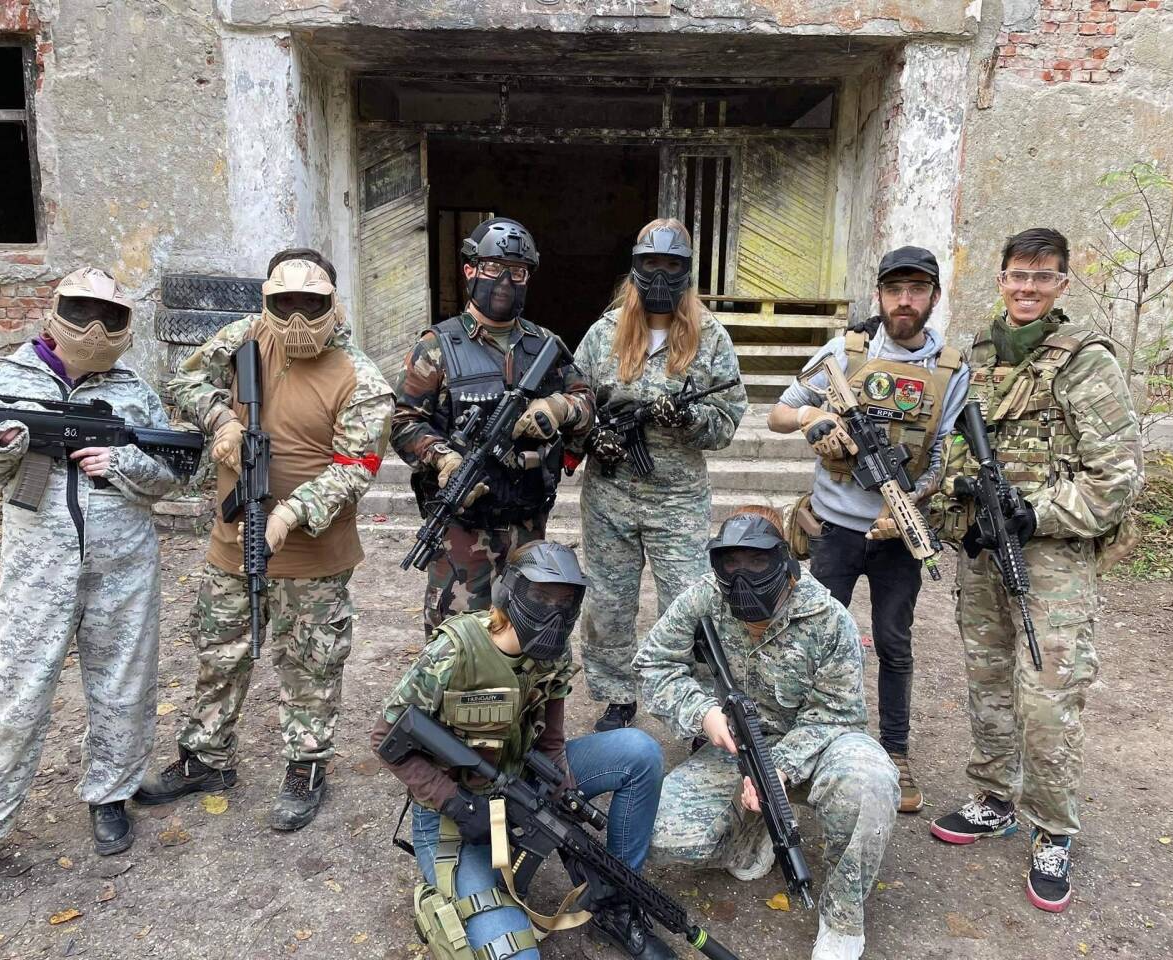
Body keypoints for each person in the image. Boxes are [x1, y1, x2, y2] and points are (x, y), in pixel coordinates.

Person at [0, 268, 180, 909]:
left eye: (110, 315)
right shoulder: (8, 380)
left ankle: (110, 796)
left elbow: (172, 472)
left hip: (123, 564)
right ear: (55, 314)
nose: (95, 327)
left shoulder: (133, 389)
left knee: (124, 684)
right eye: (82, 311)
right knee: (14, 697)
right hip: (37, 568)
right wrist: (1, 447)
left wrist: (120, 463)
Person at [133, 248, 394, 832]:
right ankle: (205, 758)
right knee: (218, 653)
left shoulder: (362, 378)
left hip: (313, 556)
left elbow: (356, 467)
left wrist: (289, 515)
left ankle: (305, 765)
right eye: (285, 303)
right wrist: (222, 420)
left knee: (310, 665)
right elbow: (184, 379)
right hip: (232, 541)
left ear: (332, 304)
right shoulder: (244, 336)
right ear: (267, 302)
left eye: (311, 304)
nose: (297, 318)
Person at [929, 228, 1143, 913]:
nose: (1027, 288)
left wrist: (1037, 513)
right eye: (1017, 275)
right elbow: (949, 446)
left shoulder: (1086, 362)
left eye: (1042, 277)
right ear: (1001, 279)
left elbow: (1117, 477)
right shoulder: (976, 357)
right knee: (988, 680)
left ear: (1061, 284)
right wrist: (960, 501)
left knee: (1048, 696)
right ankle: (995, 798)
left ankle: (1053, 830)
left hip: (1053, 560)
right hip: (984, 553)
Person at [371, 541, 673, 960]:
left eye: (565, 602)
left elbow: (551, 741)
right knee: (516, 954)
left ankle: (616, 903)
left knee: (639, 752)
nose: (554, 613)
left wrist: (562, 797)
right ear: (509, 593)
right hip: (453, 814)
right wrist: (454, 802)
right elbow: (385, 738)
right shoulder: (455, 650)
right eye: (542, 598)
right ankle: (456, 892)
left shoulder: (554, 650)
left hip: (522, 782)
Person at [635, 507, 898, 960]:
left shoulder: (828, 618)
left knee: (869, 782)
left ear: (784, 560)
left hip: (820, 746)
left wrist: (777, 768)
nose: (742, 577)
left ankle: (842, 919)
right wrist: (703, 713)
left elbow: (837, 712)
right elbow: (653, 664)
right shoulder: (704, 597)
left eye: (757, 562)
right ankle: (751, 838)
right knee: (661, 836)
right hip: (734, 749)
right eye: (731, 563)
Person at [767, 245, 969, 813]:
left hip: (898, 535)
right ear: (879, 295)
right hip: (832, 529)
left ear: (933, 297)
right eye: (895, 289)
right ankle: (801, 746)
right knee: (813, 639)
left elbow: (943, 453)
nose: (905, 301)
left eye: (917, 289)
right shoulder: (844, 352)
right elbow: (777, 414)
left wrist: (910, 503)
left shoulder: (950, 370)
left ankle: (896, 752)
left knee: (894, 644)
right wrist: (812, 417)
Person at [573, 219, 746, 733]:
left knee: (691, 604)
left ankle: (697, 708)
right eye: (652, 264)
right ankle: (616, 695)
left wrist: (689, 418)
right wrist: (593, 436)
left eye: (672, 265)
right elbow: (574, 401)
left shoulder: (710, 337)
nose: (661, 276)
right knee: (608, 603)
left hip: (677, 499)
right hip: (609, 494)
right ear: (635, 267)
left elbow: (728, 420)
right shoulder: (604, 333)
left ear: (687, 271)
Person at [389, 218, 593, 636]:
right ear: (470, 270)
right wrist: (443, 459)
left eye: (516, 272)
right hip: (463, 532)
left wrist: (558, 407)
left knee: (532, 634)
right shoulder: (436, 347)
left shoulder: (544, 344)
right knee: (456, 643)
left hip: (528, 525)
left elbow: (587, 403)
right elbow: (404, 422)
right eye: (493, 267)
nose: (503, 281)